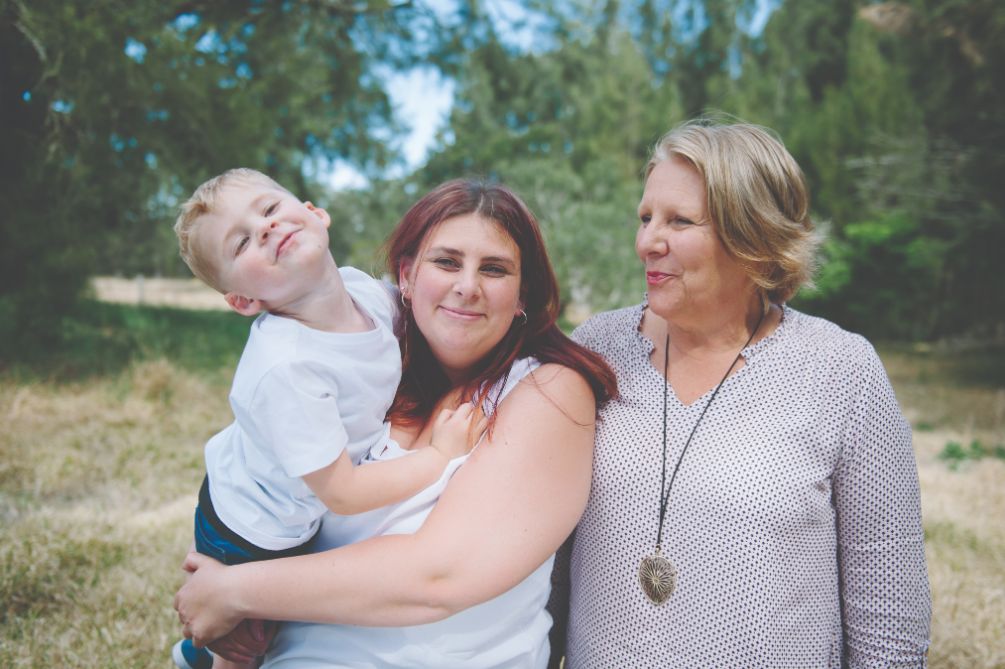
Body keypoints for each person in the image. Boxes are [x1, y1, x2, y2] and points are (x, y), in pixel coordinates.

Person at [173, 178, 618, 668]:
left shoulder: (546, 390)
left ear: (521, 296)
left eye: (494, 269)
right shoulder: (366, 371)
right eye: (446, 262)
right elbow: (253, 468)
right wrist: (220, 582)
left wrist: (234, 592)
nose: (466, 286)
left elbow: (439, 578)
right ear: (405, 276)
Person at [548, 118, 932, 667]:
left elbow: (889, 610)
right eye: (645, 217)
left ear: (752, 237)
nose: (647, 242)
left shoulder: (841, 369)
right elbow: (551, 561)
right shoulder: (596, 347)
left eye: (679, 221)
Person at [170, 169, 485, 669]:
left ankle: (198, 654)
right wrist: (438, 456)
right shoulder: (288, 366)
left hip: (285, 496)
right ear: (243, 300)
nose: (267, 229)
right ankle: (205, 656)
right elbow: (342, 492)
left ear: (316, 214)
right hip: (253, 528)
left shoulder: (367, 294)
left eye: (270, 210)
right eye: (242, 242)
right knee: (248, 642)